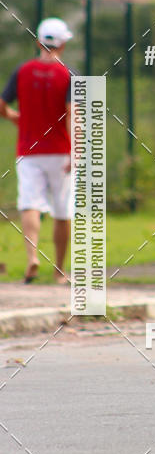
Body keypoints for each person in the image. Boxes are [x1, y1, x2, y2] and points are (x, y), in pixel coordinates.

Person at [0, 17, 75, 284]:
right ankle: (59, 270)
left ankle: (32, 257)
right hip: (60, 151)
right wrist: (76, 151)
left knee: (30, 204)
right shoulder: (68, 74)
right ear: (63, 44)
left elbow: (2, 103)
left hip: (28, 150)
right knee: (62, 211)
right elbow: (70, 113)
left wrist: (13, 116)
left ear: (38, 41)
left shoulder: (22, 71)